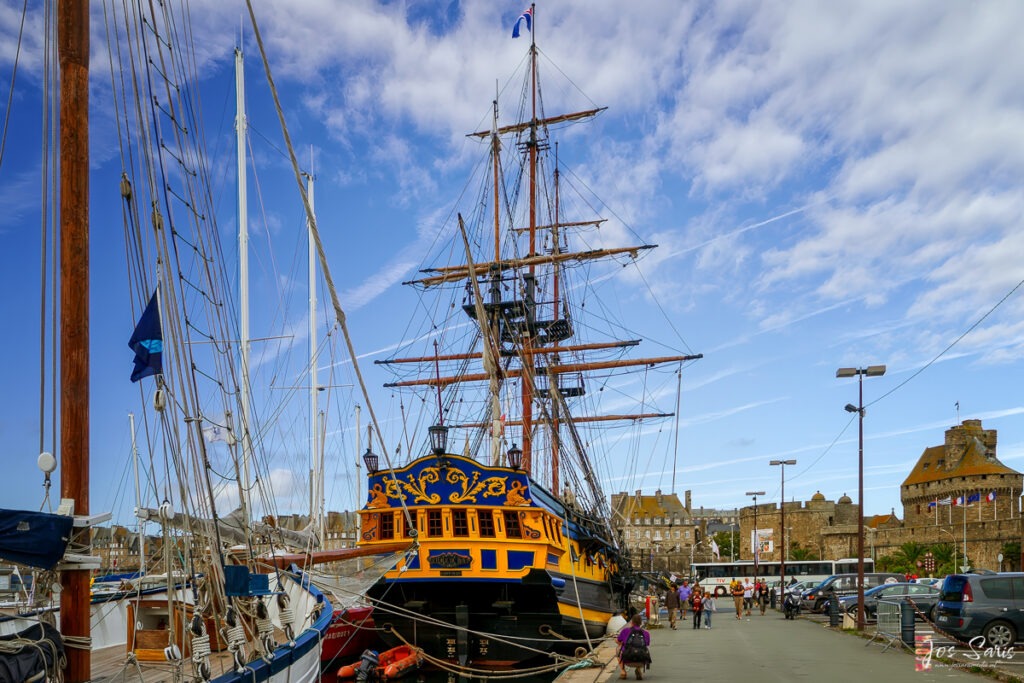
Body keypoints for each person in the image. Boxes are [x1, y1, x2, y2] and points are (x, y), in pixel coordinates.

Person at [617, 613, 651, 680]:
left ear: (631, 622)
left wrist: (620, 643)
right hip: (641, 661)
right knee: (645, 648)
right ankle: (638, 668)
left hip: (627, 660)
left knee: (618, 648)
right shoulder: (646, 633)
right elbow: (647, 644)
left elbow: (618, 641)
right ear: (641, 623)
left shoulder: (625, 630)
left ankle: (623, 672)